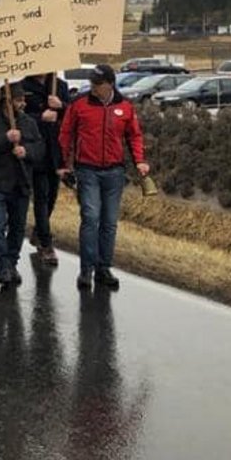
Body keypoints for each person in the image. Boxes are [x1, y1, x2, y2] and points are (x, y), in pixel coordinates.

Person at [58, 63, 148, 291]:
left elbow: (134, 135)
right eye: (92, 83)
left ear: (110, 84)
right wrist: (63, 165)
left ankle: (103, 267)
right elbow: (66, 133)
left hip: (114, 171)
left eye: (98, 84)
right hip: (87, 169)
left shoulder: (125, 107)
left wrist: (139, 160)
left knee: (109, 223)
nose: (94, 87)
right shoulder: (79, 104)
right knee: (90, 217)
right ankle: (86, 269)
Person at [0, 85, 44, 286]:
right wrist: (5, 139)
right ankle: (2, 266)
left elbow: (39, 149)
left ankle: (12, 262)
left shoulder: (28, 123)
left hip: (20, 182)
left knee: (18, 227)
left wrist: (26, 151)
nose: (23, 104)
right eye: (18, 100)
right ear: (7, 100)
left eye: (23, 100)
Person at [22, 73, 71, 266]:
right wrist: (40, 117)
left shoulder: (60, 85)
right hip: (36, 148)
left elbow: (72, 115)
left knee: (51, 196)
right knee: (41, 196)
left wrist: (62, 107)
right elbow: (18, 116)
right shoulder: (24, 87)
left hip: (56, 150)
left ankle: (38, 231)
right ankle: (46, 243)